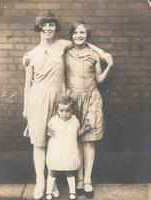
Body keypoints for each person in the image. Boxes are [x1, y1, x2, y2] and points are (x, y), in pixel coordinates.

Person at [22, 11, 113, 200]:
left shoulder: (63, 45)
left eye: (51, 25)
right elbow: (27, 84)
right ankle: (41, 183)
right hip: (38, 100)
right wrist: (26, 107)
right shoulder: (31, 54)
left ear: (55, 27)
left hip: (60, 100)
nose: (48, 28)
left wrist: (102, 53)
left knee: (57, 140)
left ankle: (52, 183)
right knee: (39, 142)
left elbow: (84, 42)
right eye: (44, 25)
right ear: (39, 27)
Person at [65, 20, 113, 199]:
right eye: (76, 32)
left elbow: (99, 80)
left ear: (87, 36)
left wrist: (109, 66)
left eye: (82, 32)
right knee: (75, 139)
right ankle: (77, 180)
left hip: (91, 99)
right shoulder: (66, 53)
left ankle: (87, 180)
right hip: (73, 102)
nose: (79, 35)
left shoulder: (93, 55)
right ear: (71, 35)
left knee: (89, 141)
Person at [46, 95, 88, 200]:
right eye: (62, 110)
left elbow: (77, 134)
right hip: (56, 151)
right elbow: (48, 132)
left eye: (68, 111)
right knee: (53, 171)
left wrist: (84, 130)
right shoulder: (53, 121)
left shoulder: (75, 121)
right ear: (57, 110)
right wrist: (48, 132)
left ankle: (72, 192)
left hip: (69, 150)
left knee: (70, 171)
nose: (65, 113)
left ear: (72, 110)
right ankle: (48, 192)